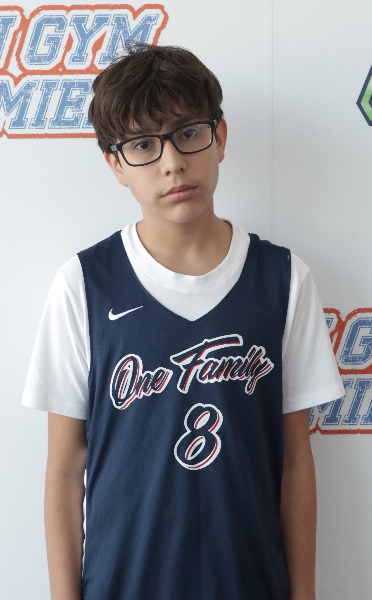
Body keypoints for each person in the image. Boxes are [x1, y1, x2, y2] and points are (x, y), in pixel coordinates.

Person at [21, 41, 344, 600]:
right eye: (143, 145)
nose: (171, 162)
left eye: (188, 133)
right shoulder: (83, 285)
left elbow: (296, 462)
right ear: (115, 165)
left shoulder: (284, 279)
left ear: (220, 137)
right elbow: (65, 470)